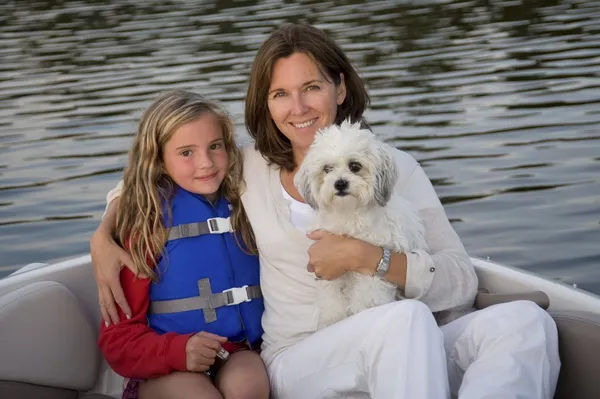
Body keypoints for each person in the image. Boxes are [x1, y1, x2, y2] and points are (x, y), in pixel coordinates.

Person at [91, 24, 560, 399]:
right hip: (303, 357)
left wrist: (367, 258)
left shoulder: (395, 167)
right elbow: (161, 173)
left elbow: (460, 281)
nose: (298, 108)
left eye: (311, 87)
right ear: (266, 104)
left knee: (523, 323)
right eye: (280, 94)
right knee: (404, 322)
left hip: (402, 336)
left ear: (339, 87)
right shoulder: (248, 167)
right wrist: (104, 233)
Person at [97, 90, 269, 399]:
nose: (206, 163)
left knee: (250, 385)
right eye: (186, 152)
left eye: (215, 146)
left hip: (237, 350)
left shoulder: (244, 200)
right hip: (167, 366)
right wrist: (177, 351)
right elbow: (117, 341)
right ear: (159, 160)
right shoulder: (144, 225)